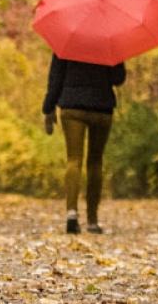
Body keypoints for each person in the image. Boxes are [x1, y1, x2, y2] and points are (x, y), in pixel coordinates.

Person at [41, 52, 127, 235]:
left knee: (74, 160)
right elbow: (118, 79)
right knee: (95, 162)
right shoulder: (110, 40)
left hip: (72, 106)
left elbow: (56, 77)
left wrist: (49, 108)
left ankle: (72, 214)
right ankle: (92, 221)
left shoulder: (66, 40)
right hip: (102, 107)